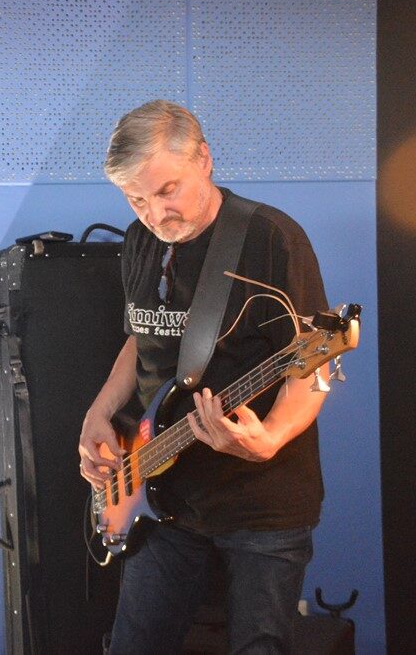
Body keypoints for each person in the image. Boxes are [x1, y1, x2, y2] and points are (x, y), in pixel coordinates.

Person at [78, 100, 331, 654]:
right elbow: (142, 336)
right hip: (158, 493)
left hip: (260, 503)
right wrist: (99, 412)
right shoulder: (140, 240)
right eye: (136, 199)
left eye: (167, 190)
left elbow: (312, 366)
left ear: (204, 159)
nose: (155, 214)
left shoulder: (271, 239)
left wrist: (271, 438)